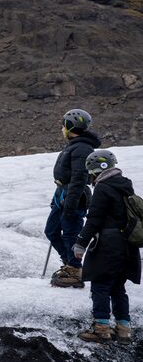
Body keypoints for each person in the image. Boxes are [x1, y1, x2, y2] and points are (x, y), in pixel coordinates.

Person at [72, 150, 137, 343]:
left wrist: (80, 244)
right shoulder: (125, 185)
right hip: (126, 245)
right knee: (118, 287)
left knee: (100, 285)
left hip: (108, 245)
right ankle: (123, 329)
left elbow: (94, 219)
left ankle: (101, 329)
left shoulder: (103, 187)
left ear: (95, 170)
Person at [47, 109, 100, 289]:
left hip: (74, 197)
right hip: (63, 194)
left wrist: (70, 204)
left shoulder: (82, 147)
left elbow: (79, 177)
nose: (62, 128)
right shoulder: (74, 144)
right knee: (51, 230)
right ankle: (70, 263)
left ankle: (75, 270)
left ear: (70, 126)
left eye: (63, 124)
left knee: (70, 233)